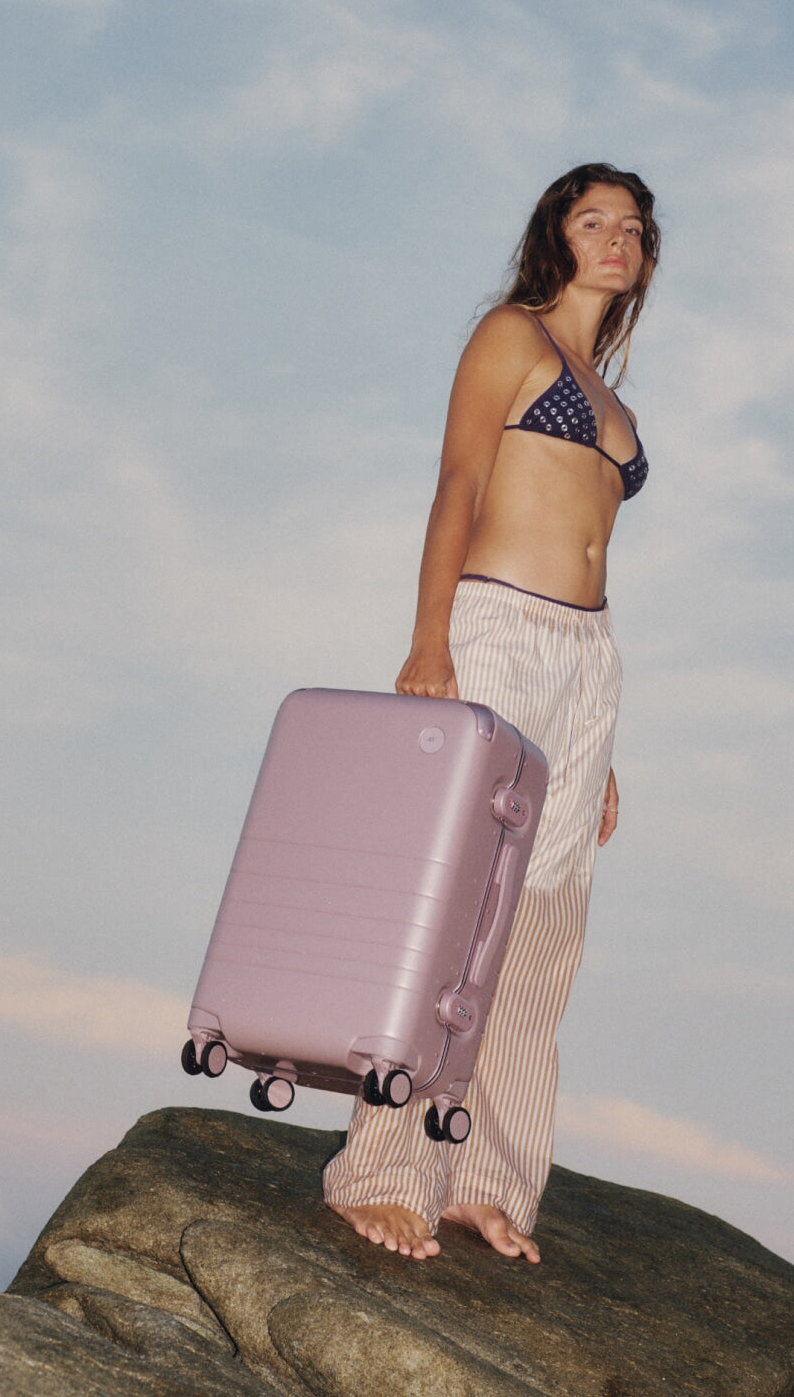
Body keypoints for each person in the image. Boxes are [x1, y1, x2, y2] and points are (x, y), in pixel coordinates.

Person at [323, 163, 660, 1263]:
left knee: (546, 930)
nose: (615, 239)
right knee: (460, 912)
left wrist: (596, 747)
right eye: (592, 220)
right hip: (498, 632)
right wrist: (430, 641)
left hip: (585, 658)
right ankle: (379, 1168)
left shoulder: (612, 401)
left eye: (632, 228)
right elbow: (459, 486)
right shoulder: (509, 339)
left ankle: (486, 1176)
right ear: (555, 236)